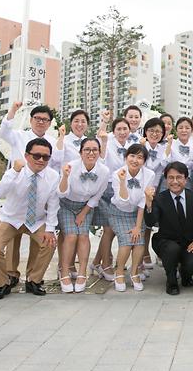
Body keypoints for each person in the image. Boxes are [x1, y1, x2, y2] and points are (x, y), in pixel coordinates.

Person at [0, 103, 64, 285]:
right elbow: (4, 132)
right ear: (31, 120)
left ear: (50, 123)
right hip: (18, 192)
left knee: (39, 237)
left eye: (45, 120)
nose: (41, 122)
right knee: (13, 237)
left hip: (40, 194)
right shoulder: (19, 136)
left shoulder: (52, 142)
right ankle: (11, 274)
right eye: (38, 119)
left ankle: (33, 277)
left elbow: (57, 163)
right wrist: (12, 111)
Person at [0, 138, 59, 301]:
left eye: (46, 157)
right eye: (37, 156)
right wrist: (13, 172)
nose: (41, 160)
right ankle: (3, 282)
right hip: (11, 219)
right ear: (27, 156)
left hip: (36, 220)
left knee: (49, 243)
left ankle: (34, 280)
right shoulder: (16, 171)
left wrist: (50, 229)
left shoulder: (53, 176)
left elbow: (53, 204)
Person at [144, 162, 193, 295]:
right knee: (172, 250)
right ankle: (171, 280)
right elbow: (150, 221)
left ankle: (185, 274)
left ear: (186, 179)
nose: (175, 181)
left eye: (179, 177)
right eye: (170, 178)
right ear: (166, 180)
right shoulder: (160, 199)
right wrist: (149, 203)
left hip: (189, 242)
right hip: (166, 242)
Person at [56, 137, 109, 293]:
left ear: (99, 153)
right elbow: (61, 192)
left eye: (95, 150)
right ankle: (64, 271)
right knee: (71, 235)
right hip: (66, 205)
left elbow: (97, 195)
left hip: (86, 206)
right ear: (80, 152)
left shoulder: (104, 171)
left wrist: (84, 212)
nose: (91, 153)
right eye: (87, 149)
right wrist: (65, 177)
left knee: (83, 236)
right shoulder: (70, 167)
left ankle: (82, 273)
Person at [92, 116, 132, 282]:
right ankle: (105, 264)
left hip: (122, 188)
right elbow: (100, 158)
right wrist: (104, 124)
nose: (122, 132)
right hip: (107, 188)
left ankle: (96, 262)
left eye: (125, 129)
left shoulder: (131, 145)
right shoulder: (107, 140)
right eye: (119, 129)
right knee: (109, 228)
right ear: (113, 131)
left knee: (112, 229)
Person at [110, 144, 154, 292]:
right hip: (118, 212)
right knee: (127, 242)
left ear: (144, 161)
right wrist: (123, 181)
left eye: (140, 157)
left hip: (137, 213)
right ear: (126, 157)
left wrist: (137, 226)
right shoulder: (117, 173)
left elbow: (143, 202)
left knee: (139, 241)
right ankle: (119, 272)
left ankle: (134, 272)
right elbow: (122, 200)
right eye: (132, 156)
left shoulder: (149, 175)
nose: (135, 160)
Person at [139, 118, 168, 270]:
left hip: (157, 188)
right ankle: (142, 254)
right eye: (151, 130)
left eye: (158, 131)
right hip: (141, 189)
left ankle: (153, 252)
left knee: (152, 223)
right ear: (145, 131)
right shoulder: (139, 146)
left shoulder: (164, 148)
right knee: (141, 223)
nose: (155, 134)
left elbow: (166, 165)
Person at [166, 117, 193, 190]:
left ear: (192, 130)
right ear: (176, 130)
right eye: (180, 128)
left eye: (187, 128)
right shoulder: (171, 143)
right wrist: (169, 144)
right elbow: (165, 162)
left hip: (187, 179)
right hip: (171, 179)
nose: (184, 130)